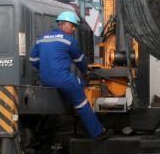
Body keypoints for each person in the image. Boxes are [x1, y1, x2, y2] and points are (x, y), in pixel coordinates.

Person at [29, 11, 106, 139]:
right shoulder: (69, 41)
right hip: (63, 79)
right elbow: (80, 61)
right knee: (82, 102)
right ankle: (98, 132)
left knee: (72, 89)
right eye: (73, 26)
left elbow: (33, 60)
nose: (74, 29)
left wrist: (45, 68)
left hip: (45, 80)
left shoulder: (41, 39)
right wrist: (85, 73)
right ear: (63, 25)